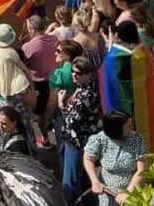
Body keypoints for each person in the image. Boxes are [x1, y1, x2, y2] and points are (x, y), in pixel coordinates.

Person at [84, 110, 149, 206]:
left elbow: (142, 170)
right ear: (116, 129)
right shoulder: (99, 140)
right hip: (108, 193)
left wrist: (127, 192)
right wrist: (95, 181)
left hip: (133, 192)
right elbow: (88, 159)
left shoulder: (137, 140)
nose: (132, 129)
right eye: (128, 126)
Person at [60, 56, 101, 205]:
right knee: (81, 179)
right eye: (72, 72)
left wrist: (61, 105)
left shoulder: (86, 94)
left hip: (77, 142)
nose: (74, 75)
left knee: (70, 181)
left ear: (88, 74)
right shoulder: (83, 89)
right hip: (76, 140)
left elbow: (71, 120)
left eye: (78, 73)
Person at [22, 15, 58, 137]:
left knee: (39, 113)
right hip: (55, 80)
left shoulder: (27, 47)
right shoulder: (54, 39)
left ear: (32, 29)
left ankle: (44, 138)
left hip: (38, 84)